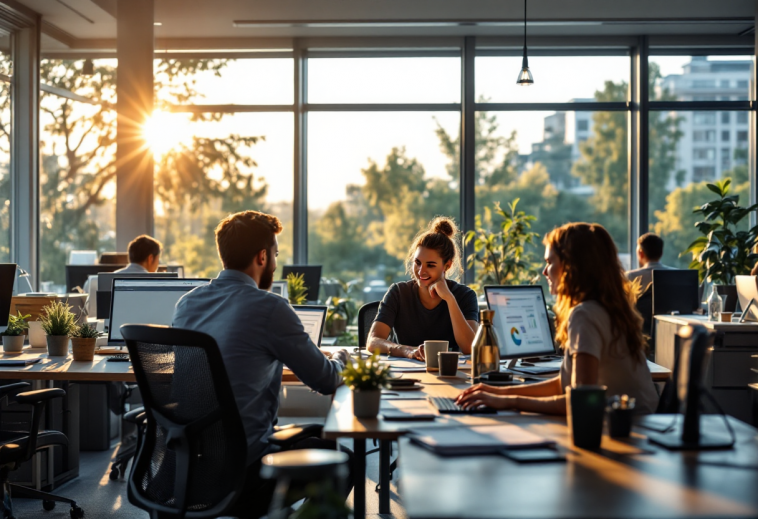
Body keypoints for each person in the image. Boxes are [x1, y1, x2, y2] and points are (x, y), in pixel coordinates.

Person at [172, 210, 352, 518]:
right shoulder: (269, 307)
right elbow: (324, 380)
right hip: (245, 473)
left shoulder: (187, 303)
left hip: (188, 469)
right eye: (275, 254)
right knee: (346, 460)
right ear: (262, 256)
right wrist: (341, 358)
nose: (275, 261)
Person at [457, 222, 659, 415]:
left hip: (627, 432)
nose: (545, 271)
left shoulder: (586, 314)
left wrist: (509, 401)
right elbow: (563, 383)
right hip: (638, 426)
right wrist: (497, 392)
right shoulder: (605, 309)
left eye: (549, 262)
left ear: (571, 266)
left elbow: (579, 401)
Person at [367, 217, 479, 360]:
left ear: (447, 265)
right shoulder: (398, 293)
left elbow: (470, 348)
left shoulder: (465, 296)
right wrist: (407, 351)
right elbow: (373, 341)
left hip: (450, 375)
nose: (420, 272)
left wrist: (450, 299)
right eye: (417, 263)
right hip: (405, 374)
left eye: (430, 265)